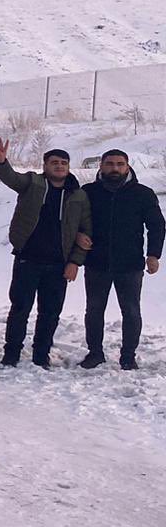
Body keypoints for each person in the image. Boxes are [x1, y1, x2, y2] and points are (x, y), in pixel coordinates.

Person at [0, 140, 91, 368]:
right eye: (54, 162)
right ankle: (11, 354)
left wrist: (75, 261)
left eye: (63, 163)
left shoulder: (78, 195)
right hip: (28, 259)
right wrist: (1, 162)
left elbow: (86, 231)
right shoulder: (33, 183)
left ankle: (41, 355)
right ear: (45, 166)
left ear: (69, 167)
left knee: (50, 313)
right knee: (20, 309)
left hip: (59, 264)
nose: (59, 166)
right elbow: (11, 178)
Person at [79, 149, 163, 370]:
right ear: (101, 166)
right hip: (96, 262)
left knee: (131, 310)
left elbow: (156, 225)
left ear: (127, 166)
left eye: (119, 164)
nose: (114, 168)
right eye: (109, 164)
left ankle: (128, 356)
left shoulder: (142, 193)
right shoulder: (88, 192)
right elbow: (73, 221)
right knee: (94, 309)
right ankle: (95, 353)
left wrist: (153, 254)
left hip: (130, 264)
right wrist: (79, 237)